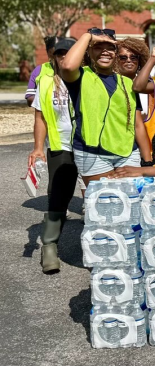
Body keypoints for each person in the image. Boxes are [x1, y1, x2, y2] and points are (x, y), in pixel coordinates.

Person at [59, 28, 144, 184]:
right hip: (92, 153)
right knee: (103, 202)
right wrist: (88, 36)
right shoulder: (81, 76)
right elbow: (68, 66)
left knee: (129, 201)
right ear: (88, 51)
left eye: (110, 47)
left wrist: (147, 158)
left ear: (116, 52)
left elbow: (137, 124)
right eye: (98, 46)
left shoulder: (127, 83)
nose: (105, 52)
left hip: (127, 151)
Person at [27, 39, 79, 273]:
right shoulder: (46, 81)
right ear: (54, 58)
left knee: (100, 197)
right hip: (61, 147)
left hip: (90, 147)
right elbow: (40, 117)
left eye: (70, 53)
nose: (64, 57)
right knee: (58, 198)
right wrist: (38, 147)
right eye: (60, 54)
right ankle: (49, 247)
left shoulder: (88, 77)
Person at [115, 38, 153, 163]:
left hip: (154, 147)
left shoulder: (152, 85)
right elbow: (137, 125)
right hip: (124, 150)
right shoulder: (113, 86)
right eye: (123, 58)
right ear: (116, 60)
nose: (129, 60)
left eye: (133, 57)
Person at [25, 37, 60, 106]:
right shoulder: (39, 70)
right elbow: (30, 98)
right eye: (57, 50)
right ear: (49, 53)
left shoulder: (74, 69)